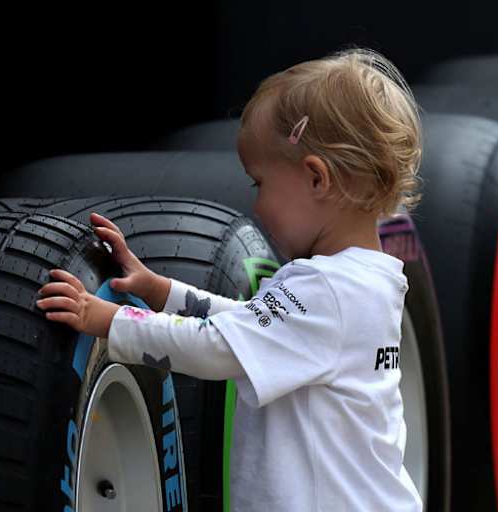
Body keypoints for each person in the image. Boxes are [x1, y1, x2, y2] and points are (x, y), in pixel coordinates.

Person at [36, 46, 424, 511]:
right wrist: (161, 291)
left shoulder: (327, 290)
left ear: (317, 180)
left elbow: (218, 348)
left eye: (260, 183)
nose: (257, 207)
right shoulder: (366, 284)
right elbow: (255, 327)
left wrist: (108, 321)